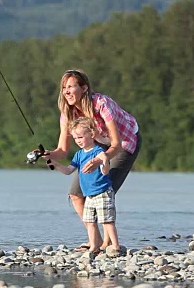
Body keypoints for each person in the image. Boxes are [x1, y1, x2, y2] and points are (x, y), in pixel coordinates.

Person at [43, 69, 141, 251]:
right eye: (64, 87)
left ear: (84, 88)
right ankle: (94, 241)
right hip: (98, 143)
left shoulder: (101, 104)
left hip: (124, 143)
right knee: (76, 194)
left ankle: (110, 243)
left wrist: (99, 161)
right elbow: (62, 151)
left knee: (102, 191)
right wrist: (47, 155)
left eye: (71, 86)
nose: (66, 91)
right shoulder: (67, 113)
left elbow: (116, 144)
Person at [48, 117, 119, 254]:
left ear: (92, 135)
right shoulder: (79, 155)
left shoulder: (98, 151)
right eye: (75, 138)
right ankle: (94, 246)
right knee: (90, 221)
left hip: (102, 191)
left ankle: (115, 246)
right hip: (89, 194)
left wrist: (104, 161)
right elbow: (68, 171)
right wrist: (55, 163)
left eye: (80, 137)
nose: (78, 140)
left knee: (107, 220)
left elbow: (105, 169)